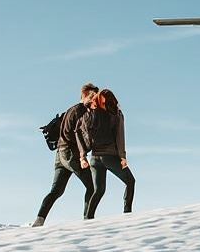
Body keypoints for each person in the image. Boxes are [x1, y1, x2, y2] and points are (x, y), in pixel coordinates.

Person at [31, 83, 98, 226]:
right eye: (93, 97)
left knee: (56, 190)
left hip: (60, 155)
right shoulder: (80, 110)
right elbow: (76, 134)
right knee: (92, 186)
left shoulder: (71, 110)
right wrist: (83, 152)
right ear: (85, 95)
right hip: (70, 153)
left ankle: (39, 220)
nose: (95, 100)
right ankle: (88, 221)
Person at [77, 87, 135, 218]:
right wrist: (122, 156)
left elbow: (80, 132)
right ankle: (127, 213)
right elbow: (120, 136)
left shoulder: (90, 115)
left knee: (98, 190)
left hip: (94, 159)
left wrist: (82, 156)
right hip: (110, 157)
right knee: (130, 181)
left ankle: (88, 218)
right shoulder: (116, 114)